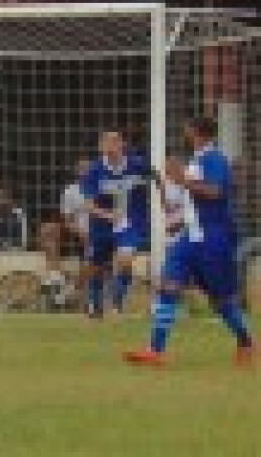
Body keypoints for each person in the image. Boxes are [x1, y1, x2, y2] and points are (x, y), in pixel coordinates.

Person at [126, 118, 253, 367]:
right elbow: (182, 201)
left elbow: (215, 191)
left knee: (221, 301)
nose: (184, 133)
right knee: (168, 284)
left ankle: (246, 342)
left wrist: (181, 178)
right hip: (190, 236)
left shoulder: (214, 158)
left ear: (198, 133)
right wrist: (165, 183)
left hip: (213, 239)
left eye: (188, 130)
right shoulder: (195, 161)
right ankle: (155, 350)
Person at [81, 130, 149, 318]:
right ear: (101, 147)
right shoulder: (94, 170)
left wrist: (165, 200)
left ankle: (117, 301)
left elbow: (157, 175)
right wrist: (108, 215)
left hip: (131, 222)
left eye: (114, 141)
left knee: (125, 260)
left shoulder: (137, 164)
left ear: (122, 144)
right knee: (96, 267)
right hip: (102, 224)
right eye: (106, 143)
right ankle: (96, 306)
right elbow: (88, 205)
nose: (110, 146)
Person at [39, 159, 92, 306]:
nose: (85, 172)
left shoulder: (103, 189)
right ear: (77, 172)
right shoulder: (70, 191)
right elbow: (67, 220)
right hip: (77, 232)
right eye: (82, 169)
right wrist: (79, 230)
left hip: (97, 234)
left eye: (88, 169)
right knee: (48, 228)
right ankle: (56, 275)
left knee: (95, 247)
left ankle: (72, 292)